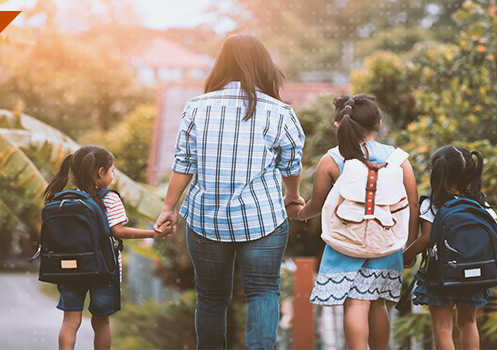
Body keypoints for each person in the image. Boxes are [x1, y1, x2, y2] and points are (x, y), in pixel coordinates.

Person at [153, 34, 305, 349]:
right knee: (263, 292)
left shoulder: (196, 107)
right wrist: (292, 198)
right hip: (262, 218)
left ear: (222, 65)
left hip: (206, 219)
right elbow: (291, 165)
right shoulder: (280, 112)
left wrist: (168, 208)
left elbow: (183, 164)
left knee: (210, 298)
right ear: (264, 66)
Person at [292, 94, 420, 350]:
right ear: (379, 123)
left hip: (345, 244)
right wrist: (409, 244)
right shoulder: (398, 159)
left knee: (355, 303)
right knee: (378, 302)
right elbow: (412, 204)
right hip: (386, 240)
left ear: (339, 124)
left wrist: (298, 213)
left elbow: (316, 206)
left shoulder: (332, 159)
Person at [42, 145, 173, 350]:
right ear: (100, 172)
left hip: (69, 268)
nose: (113, 176)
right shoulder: (109, 198)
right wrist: (155, 233)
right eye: (112, 171)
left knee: (70, 321)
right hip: (102, 269)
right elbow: (119, 231)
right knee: (101, 322)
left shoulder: (67, 199)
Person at [402, 145, 497, 350]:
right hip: (474, 274)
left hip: (442, 275)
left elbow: (426, 239)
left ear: (437, 172)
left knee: (443, 328)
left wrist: (404, 256)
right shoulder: (479, 203)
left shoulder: (432, 203)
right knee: (469, 323)